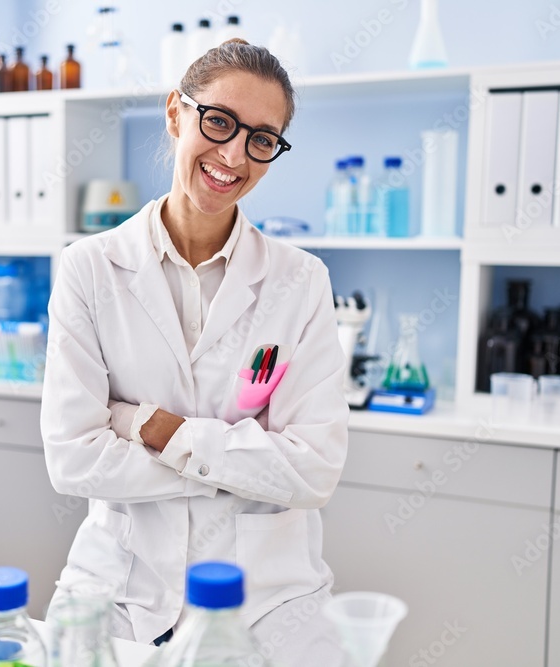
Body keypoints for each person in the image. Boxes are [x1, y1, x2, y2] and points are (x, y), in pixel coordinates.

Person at [40, 39, 348, 665]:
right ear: (176, 114)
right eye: (219, 121)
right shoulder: (89, 269)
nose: (234, 154)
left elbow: (314, 469)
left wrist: (145, 425)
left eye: (262, 139)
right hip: (119, 585)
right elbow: (71, 459)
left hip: (269, 597)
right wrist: (243, 466)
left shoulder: (301, 279)